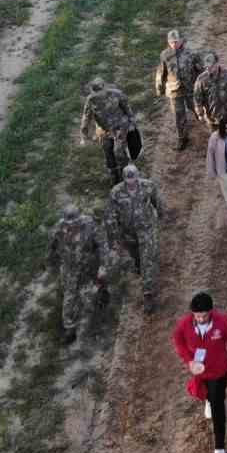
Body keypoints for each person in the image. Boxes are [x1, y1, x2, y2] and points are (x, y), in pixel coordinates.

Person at [172, 290, 227, 453]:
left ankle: (219, 448)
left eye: (203, 315)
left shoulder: (222, 322)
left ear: (211, 311)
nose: (200, 319)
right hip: (199, 370)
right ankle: (208, 400)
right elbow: (178, 340)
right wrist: (189, 360)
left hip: (218, 372)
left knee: (219, 408)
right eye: (197, 316)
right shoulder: (185, 324)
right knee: (204, 393)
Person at [106, 164, 167, 310]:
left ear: (137, 177)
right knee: (136, 257)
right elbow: (110, 216)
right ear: (124, 179)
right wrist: (114, 237)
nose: (131, 183)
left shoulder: (148, 186)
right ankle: (138, 263)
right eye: (128, 181)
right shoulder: (116, 192)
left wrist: (161, 214)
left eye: (133, 179)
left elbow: (157, 201)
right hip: (128, 232)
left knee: (148, 260)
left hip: (147, 229)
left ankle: (148, 294)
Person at [48, 205, 106, 345]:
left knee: (91, 299)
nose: (73, 225)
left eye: (75, 222)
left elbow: (102, 244)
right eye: (70, 223)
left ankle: (97, 326)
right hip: (70, 270)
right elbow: (52, 248)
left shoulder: (89, 224)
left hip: (89, 267)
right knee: (69, 298)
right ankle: (70, 329)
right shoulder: (57, 229)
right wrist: (52, 262)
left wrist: (103, 266)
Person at [79, 76, 137, 186]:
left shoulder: (117, 94)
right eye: (96, 92)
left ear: (105, 87)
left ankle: (125, 177)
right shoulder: (91, 100)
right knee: (108, 153)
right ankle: (114, 177)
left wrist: (132, 123)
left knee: (119, 153)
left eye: (100, 91)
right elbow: (86, 117)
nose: (99, 94)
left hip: (120, 128)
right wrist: (84, 133)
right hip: (104, 131)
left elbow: (127, 109)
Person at [155, 29, 203, 150]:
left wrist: (202, 86)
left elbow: (200, 71)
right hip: (174, 91)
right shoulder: (165, 55)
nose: (174, 44)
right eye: (171, 42)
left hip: (190, 88)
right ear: (168, 42)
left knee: (197, 108)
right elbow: (161, 72)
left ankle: (209, 125)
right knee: (178, 115)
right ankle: (183, 138)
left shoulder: (191, 54)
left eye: (176, 41)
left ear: (181, 40)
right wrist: (159, 88)